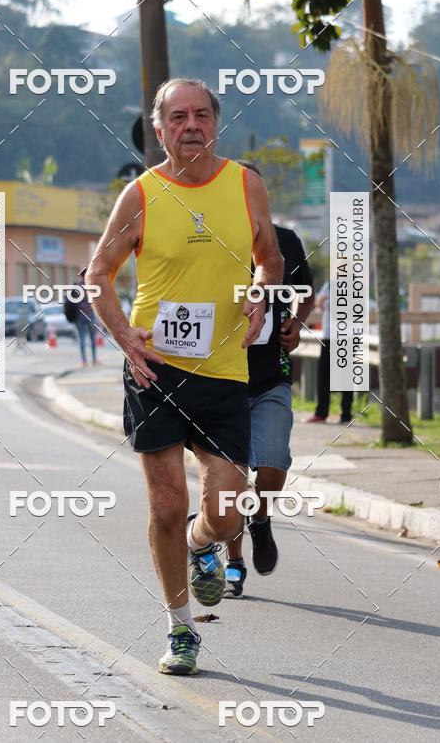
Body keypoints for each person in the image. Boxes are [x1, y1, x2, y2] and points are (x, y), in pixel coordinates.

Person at [87, 78, 282, 675]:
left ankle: (203, 545)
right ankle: (180, 629)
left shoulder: (245, 184)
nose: (190, 125)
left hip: (223, 374)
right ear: (160, 129)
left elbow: (270, 258)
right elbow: (98, 274)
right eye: (178, 117)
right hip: (156, 371)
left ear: (215, 125)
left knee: (226, 515)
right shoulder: (141, 195)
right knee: (168, 506)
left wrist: (261, 292)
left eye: (201, 115)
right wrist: (124, 336)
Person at [224, 161, 315, 597]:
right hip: (222, 379)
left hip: (271, 375)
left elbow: (306, 292)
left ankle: (260, 519)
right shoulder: (213, 243)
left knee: (273, 465)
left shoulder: (286, 241)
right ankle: (234, 563)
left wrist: (296, 323)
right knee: (228, 478)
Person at [305, 280, 353, 424]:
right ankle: (346, 415)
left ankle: (321, 413)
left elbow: (319, 303)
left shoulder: (331, 284)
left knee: (324, 375)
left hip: (331, 337)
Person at [74, 269, 99, 367]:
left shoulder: (77, 286)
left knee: (82, 339)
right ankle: (94, 360)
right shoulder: (91, 285)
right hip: (90, 315)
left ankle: (84, 361)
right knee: (93, 339)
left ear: (81, 275)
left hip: (80, 316)